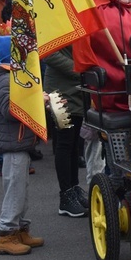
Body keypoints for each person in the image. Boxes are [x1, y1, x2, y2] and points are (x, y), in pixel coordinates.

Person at [0, 36, 45, 254]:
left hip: (18, 142)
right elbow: (10, 111)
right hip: (12, 143)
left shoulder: (10, 75)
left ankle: (20, 229)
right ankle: (6, 235)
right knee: (14, 190)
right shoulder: (3, 80)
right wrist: (37, 102)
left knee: (21, 189)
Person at [43, 44, 88, 218]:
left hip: (76, 91)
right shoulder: (54, 22)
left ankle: (74, 188)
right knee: (64, 143)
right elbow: (49, 54)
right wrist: (80, 70)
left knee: (75, 144)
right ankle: (66, 196)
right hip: (59, 94)